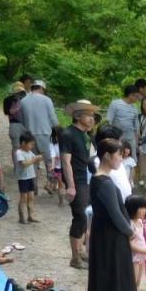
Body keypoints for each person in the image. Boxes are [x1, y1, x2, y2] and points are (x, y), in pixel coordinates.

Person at [87, 138, 136, 291]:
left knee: (109, 274)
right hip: (109, 237)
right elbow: (115, 214)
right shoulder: (104, 182)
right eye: (118, 156)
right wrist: (130, 231)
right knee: (109, 276)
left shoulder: (102, 178)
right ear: (107, 155)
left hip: (106, 234)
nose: (120, 160)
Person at [60, 100, 99, 269]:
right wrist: (70, 185)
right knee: (80, 217)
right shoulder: (68, 134)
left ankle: (82, 250)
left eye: (92, 116)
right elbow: (65, 162)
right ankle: (75, 257)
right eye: (88, 115)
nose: (91, 119)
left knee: (88, 217)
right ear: (77, 116)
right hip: (78, 181)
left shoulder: (87, 135)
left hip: (89, 180)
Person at [19, 80, 58, 186]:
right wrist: (57, 129)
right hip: (44, 133)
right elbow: (53, 118)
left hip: (29, 134)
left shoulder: (23, 101)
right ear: (41, 88)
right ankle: (51, 184)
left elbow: (21, 120)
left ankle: (33, 186)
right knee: (48, 160)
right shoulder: (47, 100)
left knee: (33, 161)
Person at [106, 83, 144, 149]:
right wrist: (109, 138)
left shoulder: (135, 108)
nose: (137, 99)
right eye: (136, 96)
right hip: (117, 138)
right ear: (130, 95)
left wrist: (137, 137)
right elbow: (108, 121)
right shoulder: (115, 104)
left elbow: (136, 124)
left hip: (130, 139)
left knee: (132, 158)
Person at [15, 132, 42, 224]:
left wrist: (40, 157)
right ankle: (22, 217)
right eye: (31, 144)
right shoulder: (19, 152)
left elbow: (35, 160)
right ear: (23, 143)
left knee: (31, 197)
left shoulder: (30, 152)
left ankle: (31, 216)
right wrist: (34, 159)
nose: (32, 146)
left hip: (31, 176)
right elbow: (24, 164)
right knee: (24, 197)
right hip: (23, 178)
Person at [3, 79, 28, 150]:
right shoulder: (8, 99)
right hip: (15, 123)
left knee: (26, 147)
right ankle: (16, 161)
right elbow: (6, 112)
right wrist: (17, 108)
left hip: (26, 124)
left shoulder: (26, 99)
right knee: (16, 147)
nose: (19, 93)